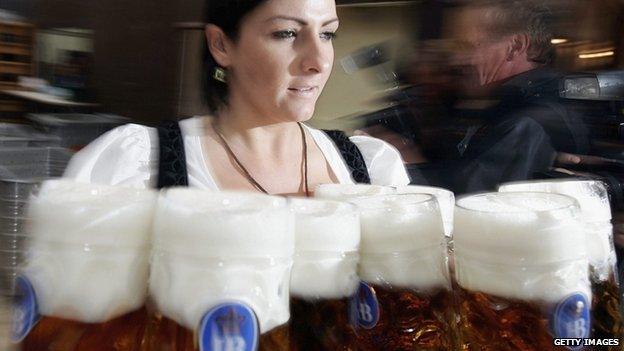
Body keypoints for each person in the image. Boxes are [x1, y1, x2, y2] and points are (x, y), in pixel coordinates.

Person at [63, 0, 410, 195]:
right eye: (287, 33)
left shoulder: (370, 168)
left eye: (328, 34)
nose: (318, 62)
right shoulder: (139, 166)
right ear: (221, 44)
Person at [418, 0, 590, 194]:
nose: (457, 60)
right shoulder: (508, 106)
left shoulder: (529, 122)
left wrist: (402, 168)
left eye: (467, 46)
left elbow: (471, 203)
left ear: (515, 46)